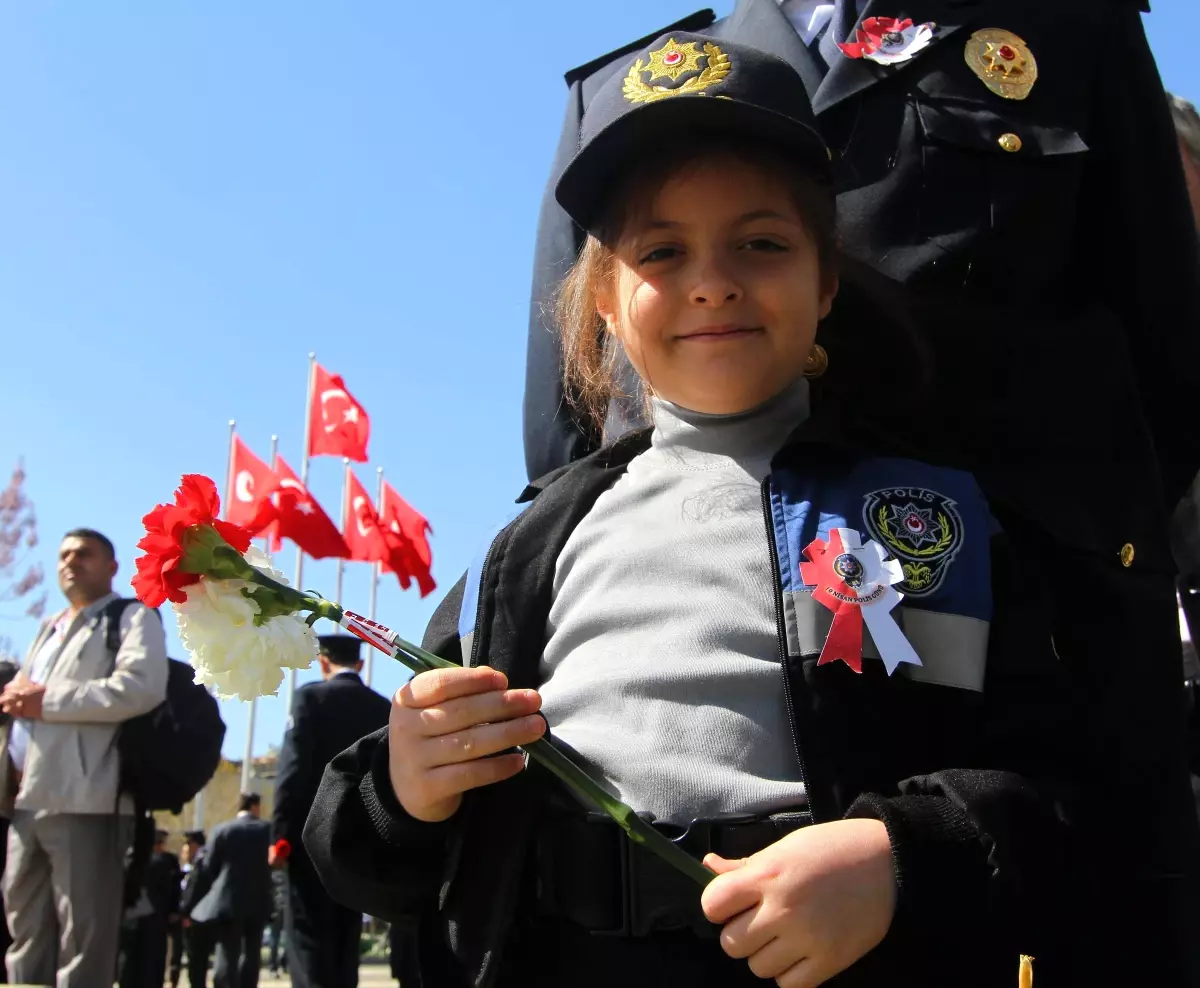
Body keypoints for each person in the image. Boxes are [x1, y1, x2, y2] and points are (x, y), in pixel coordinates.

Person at [303, 36, 1098, 987]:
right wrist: (403, 787)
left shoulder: (939, 516)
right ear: (603, 296)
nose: (711, 281)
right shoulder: (529, 546)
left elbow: (1067, 789)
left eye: (761, 244)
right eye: (662, 251)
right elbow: (364, 859)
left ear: (827, 279)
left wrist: (901, 856)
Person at [522, 3, 1200, 977]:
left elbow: (1168, 360)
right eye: (663, 253)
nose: (710, 280)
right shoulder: (627, 85)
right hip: (711, 703)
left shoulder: (1066, 25)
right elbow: (567, 436)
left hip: (1017, 688)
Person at [0, 528, 169, 987]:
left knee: (84, 940)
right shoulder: (48, 627)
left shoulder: (132, 617)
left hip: (89, 798)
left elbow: (141, 687)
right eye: (64, 555)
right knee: (24, 932)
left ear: (112, 567)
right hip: (26, 799)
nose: (71, 562)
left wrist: (46, 700)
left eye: (84, 554)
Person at [272, 634, 390, 988]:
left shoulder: (309, 698)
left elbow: (292, 772)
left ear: (323, 662)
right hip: (358, 839)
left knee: (308, 937)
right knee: (345, 936)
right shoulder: (381, 706)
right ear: (361, 665)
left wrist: (279, 836)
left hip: (309, 836)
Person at [188, 794, 271, 988]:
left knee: (227, 951)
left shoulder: (222, 830)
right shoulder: (268, 830)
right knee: (252, 953)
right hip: (258, 899)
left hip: (228, 899)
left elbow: (209, 867)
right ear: (256, 807)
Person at [119, 828, 181, 988]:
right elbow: (170, 894)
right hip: (155, 925)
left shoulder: (124, 861)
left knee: (128, 967)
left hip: (128, 923)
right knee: (152, 970)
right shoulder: (162, 864)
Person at [179, 829, 215, 988]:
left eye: (189, 843)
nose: (186, 847)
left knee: (196, 965)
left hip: (197, 921)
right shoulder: (199, 863)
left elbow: (194, 892)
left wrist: (184, 912)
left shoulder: (200, 863)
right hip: (200, 919)